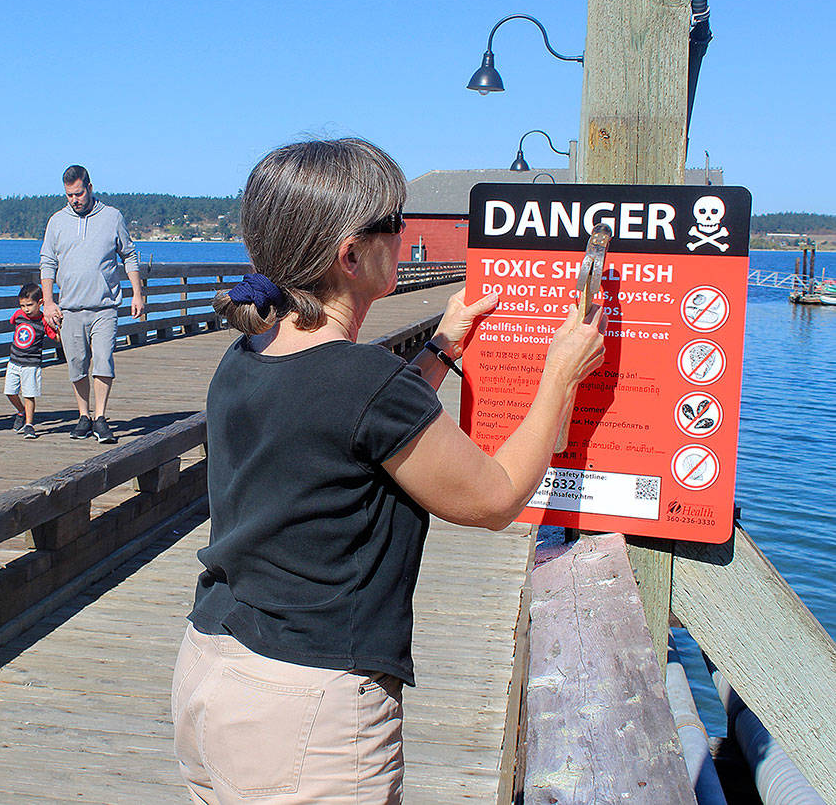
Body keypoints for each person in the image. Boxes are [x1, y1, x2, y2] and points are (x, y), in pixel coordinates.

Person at [171, 139, 606, 804]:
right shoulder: (362, 381)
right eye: (396, 224)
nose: (406, 236)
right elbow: (494, 499)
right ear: (351, 254)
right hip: (307, 706)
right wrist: (560, 375)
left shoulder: (248, 353)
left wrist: (440, 349)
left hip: (212, 672)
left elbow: (346, 426)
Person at [40, 165, 145, 444]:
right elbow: (48, 262)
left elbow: (129, 255)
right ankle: (83, 415)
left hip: (104, 306)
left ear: (89, 187)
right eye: (69, 195)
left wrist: (137, 293)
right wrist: (48, 302)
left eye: (78, 193)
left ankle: (100, 417)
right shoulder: (56, 221)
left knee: (103, 360)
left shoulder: (112, 217)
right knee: (76, 365)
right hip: (70, 308)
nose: (75, 199)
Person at [5, 282, 59, 439]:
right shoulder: (18, 315)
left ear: (40, 303)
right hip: (14, 361)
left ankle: (29, 424)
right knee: (10, 392)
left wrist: (61, 326)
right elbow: (13, 323)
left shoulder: (43, 321)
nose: (26, 309)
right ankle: (21, 411)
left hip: (32, 364)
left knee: (29, 394)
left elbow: (55, 337)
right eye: (22, 305)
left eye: (29, 305)